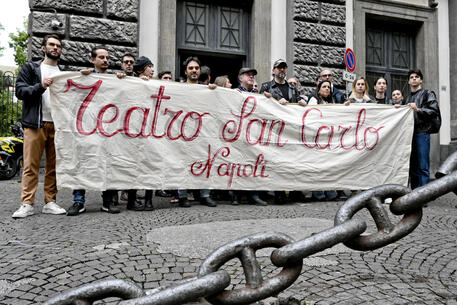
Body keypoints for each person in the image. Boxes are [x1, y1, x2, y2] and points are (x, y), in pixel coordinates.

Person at [12, 34, 67, 218]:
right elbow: (20, 91)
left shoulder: (64, 72)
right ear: (43, 48)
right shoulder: (31, 68)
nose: (55, 48)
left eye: (58, 45)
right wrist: (40, 86)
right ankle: (27, 203)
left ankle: (50, 202)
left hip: (58, 125)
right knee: (30, 165)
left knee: (53, 167)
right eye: (51, 44)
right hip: (35, 124)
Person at [68, 46, 122, 216]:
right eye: (101, 57)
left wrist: (123, 79)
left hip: (107, 130)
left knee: (107, 163)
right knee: (82, 162)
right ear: (92, 60)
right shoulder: (84, 77)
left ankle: (107, 201)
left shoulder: (114, 79)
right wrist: (78, 75)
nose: (105, 60)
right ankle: (78, 201)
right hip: (85, 129)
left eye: (107, 57)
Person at [178, 56, 217, 208]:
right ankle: (182, 195)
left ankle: (204, 195)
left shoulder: (206, 89)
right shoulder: (178, 88)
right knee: (183, 163)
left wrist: (214, 92)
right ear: (185, 71)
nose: (194, 71)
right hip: (182, 132)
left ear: (199, 71)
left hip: (202, 133)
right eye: (191, 68)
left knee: (204, 161)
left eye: (196, 68)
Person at [404, 68, 441, 189]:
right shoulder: (407, 98)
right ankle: (415, 193)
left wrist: (418, 109)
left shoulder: (428, 94)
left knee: (422, 165)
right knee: (413, 164)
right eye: (411, 77)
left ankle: (424, 195)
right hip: (410, 133)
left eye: (416, 77)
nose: (414, 79)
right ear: (409, 81)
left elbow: (433, 111)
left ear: (421, 80)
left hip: (422, 132)